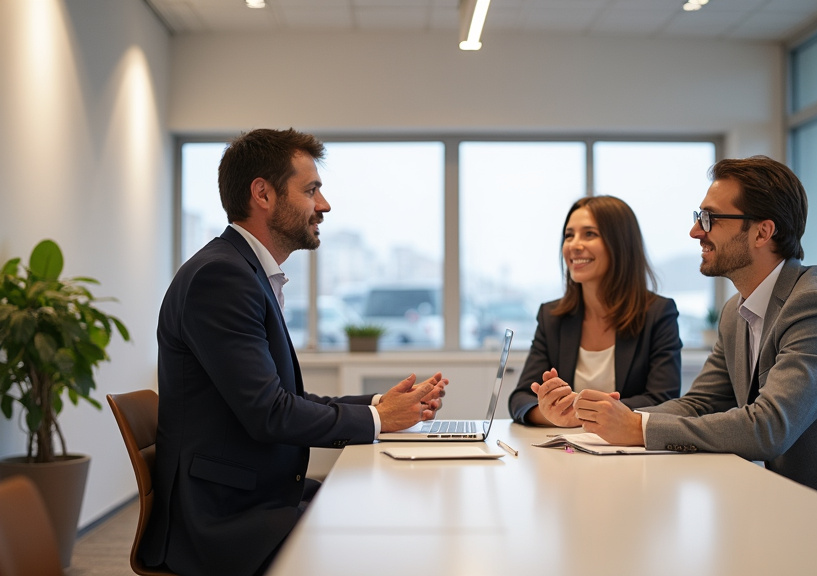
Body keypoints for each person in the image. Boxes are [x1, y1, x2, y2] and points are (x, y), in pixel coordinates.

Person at [141, 128, 447, 576]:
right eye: (311, 190)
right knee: (390, 539)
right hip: (225, 521)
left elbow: (282, 402)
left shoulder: (242, 272)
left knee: (380, 515)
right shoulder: (221, 279)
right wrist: (381, 421)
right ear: (262, 194)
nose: (324, 205)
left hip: (254, 496)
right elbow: (270, 414)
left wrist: (382, 405)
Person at [573, 156, 817, 528]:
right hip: (785, 508)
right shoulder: (737, 311)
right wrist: (616, 420)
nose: (695, 232)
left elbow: (768, 428)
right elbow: (701, 403)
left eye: (709, 219)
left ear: (763, 233)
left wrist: (638, 430)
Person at [508, 195, 682, 427]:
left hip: (633, 455)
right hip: (567, 454)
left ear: (621, 243)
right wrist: (554, 414)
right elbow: (521, 399)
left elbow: (663, 399)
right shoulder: (552, 317)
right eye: (569, 235)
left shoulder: (658, 313)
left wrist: (583, 412)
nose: (574, 245)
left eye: (590, 234)